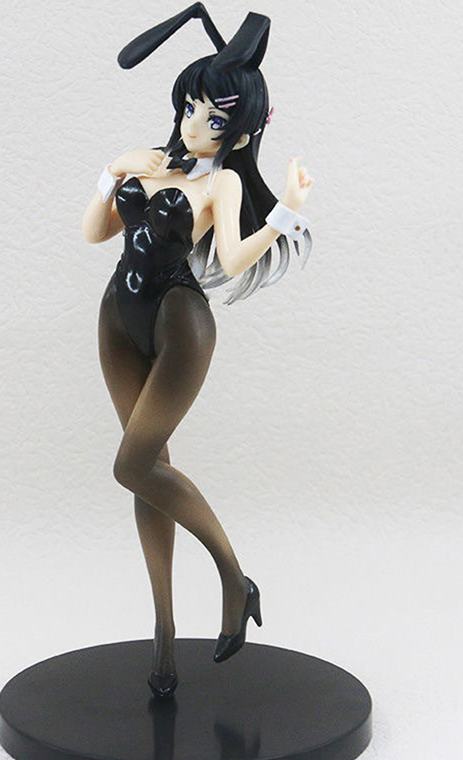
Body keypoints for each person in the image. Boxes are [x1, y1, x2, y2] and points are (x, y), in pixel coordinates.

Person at [80, 4, 313, 698]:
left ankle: (232, 576)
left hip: (180, 322)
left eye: (214, 118)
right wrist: (111, 171)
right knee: (149, 469)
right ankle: (163, 636)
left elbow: (234, 259)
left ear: (240, 130)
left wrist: (286, 212)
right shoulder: (150, 163)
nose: (194, 123)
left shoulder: (223, 182)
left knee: (131, 465)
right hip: (117, 316)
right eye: (190, 107)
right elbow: (94, 232)